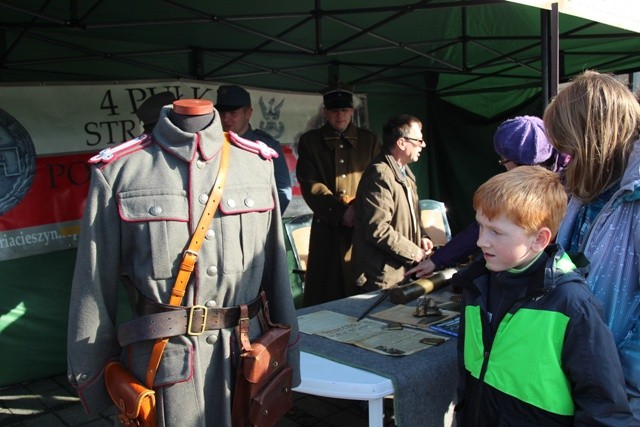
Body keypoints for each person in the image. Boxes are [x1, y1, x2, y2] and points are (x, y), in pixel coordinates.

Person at [66, 98, 300, 426]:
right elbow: (93, 282)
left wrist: (290, 351)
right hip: (165, 367)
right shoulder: (120, 171)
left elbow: (276, 269)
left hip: (245, 360)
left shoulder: (256, 164)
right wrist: (90, 374)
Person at [453, 165, 632, 426]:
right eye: (481, 226)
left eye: (496, 232)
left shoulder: (572, 304)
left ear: (539, 240)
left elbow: (605, 409)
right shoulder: (477, 284)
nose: (481, 241)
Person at [543, 70, 640, 421]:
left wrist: (617, 387)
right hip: (577, 381)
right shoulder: (582, 191)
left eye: (569, 146)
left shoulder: (634, 198)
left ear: (595, 138)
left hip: (618, 398)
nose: (564, 157)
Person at [406, 115, 571, 279]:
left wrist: (437, 260)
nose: (481, 242)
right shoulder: (567, 179)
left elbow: (476, 231)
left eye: (503, 161)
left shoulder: (542, 195)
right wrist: (437, 259)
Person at [296, 86, 380, 306]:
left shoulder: (369, 140)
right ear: (325, 112)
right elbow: (309, 183)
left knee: (362, 288)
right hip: (327, 226)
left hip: (361, 226)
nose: (339, 115)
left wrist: (356, 209)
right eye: (334, 111)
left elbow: (376, 181)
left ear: (352, 111)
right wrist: (341, 212)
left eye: (344, 110)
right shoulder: (310, 141)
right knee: (327, 289)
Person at [351, 114, 433, 290]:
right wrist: (414, 252)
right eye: (418, 140)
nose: (423, 145)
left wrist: (422, 237)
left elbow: (411, 217)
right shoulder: (380, 174)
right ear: (401, 143)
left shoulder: (404, 173)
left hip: (400, 273)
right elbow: (378, 229)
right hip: (383, 277)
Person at [216, 84, 292, 214]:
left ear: (248, 113)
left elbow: (282, 191)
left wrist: (264, 222)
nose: (225, 119)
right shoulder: (211, 143)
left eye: (233, 113)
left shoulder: (267, 146)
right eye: (222, 113)